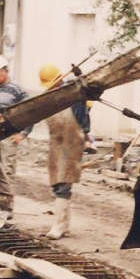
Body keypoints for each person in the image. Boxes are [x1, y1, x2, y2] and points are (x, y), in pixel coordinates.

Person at [38, 63, 85, 239]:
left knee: (64, 185)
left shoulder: (73, 95)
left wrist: (80, 78)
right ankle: (64, 225)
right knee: (58, 184)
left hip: (71, 143)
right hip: (56, 144)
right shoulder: (48, 98)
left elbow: (85, 92)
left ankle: (58, 226)